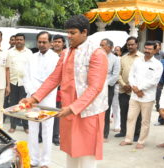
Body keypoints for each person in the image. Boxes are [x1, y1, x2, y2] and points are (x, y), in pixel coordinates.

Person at [21, 15, 108, 168]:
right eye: (67, 32)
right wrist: (33, 99)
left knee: (87, 155)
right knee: (72, 152)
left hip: (88, 112)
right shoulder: (66, 52)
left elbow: (95, 88)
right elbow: (54, 78)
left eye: (72, 33)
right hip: (68, 110)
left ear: (84, 32)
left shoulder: (97, 53)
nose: (68, 36)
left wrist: (73, 108)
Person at [23, 31, 59, 168]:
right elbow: (25, 77)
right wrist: (32, 94)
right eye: (40, 42)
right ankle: (33, 160)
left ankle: (45, 162)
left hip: (48, 99)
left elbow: (53, 80)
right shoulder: (31, 57)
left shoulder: (56, 58)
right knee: (32, 130)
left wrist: (40, 95)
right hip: (31, 98)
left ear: (50, 43)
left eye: (45, 42)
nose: (42, 44)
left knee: (47, 131)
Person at [120, 41, 163, 149]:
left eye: (149, 49)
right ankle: (128, 139)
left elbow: (154, 81)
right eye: (146, 48)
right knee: (130, 118)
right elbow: (131, 75)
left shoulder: (157, 64)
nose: (147, 51)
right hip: (134, 95)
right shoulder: (138, 61)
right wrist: (135, 88)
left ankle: (141, 141)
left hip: (147, 97)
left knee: (145, 120)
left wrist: (139, 88)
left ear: (154, 50)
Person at [116, 37, 143, 140]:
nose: (130, 46)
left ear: (137, 44)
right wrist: (123, 85)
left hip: (136, 90)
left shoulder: (142, 57)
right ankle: (123, 131)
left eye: (132, 44)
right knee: (123, 111)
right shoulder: (123, 58)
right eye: (128, 45)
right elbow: (118, 74)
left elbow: (143, 75)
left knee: (137, 113)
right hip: (123, 90)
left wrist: (133, 87)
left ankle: (136, 134)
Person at [8, 34, 33, 134]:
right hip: (13, 82)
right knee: (13, 105)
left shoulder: (29, 53)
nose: (19, 41)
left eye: (21, 40)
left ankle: (25, 126)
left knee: (25, 105)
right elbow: (7, 68)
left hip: (25, 83)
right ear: (15, 41)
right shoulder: (9, 52)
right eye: (17, 39)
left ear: (24, 41)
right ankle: (13, 126)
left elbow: (31, 69)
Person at [100, 39, 120, 142]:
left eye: (103, 45)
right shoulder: (97, 56)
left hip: (108, 87)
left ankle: (104, 134)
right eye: (100, 45)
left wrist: (104, 84)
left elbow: (115, 75)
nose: (101, 47)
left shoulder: (115, 59)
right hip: (96, 86)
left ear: (110, 47)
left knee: (106, 110)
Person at [52, 34, 65, 145]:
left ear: (63, 44)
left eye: (59, 42)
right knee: (46, 110)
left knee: (57, 112)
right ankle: (42, 135)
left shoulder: (66, 55)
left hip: (61, 88)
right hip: (48, 87)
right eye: (55, 41)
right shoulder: (48, 55)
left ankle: (55, 136)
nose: (56, 44)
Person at [154, 40, 164, 126]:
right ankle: (161, 120)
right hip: (161, 84)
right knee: (161, 102)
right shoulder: (163, 62)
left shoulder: (161, 54)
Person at [112, 46, 122, 132]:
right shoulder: (109, 59)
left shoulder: (121, 60)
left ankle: (117, 124)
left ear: (120, 52)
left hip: (118, 85)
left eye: (117, 50)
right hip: (109, 85)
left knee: (116, 106)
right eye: (114, 50)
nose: (115, 51)